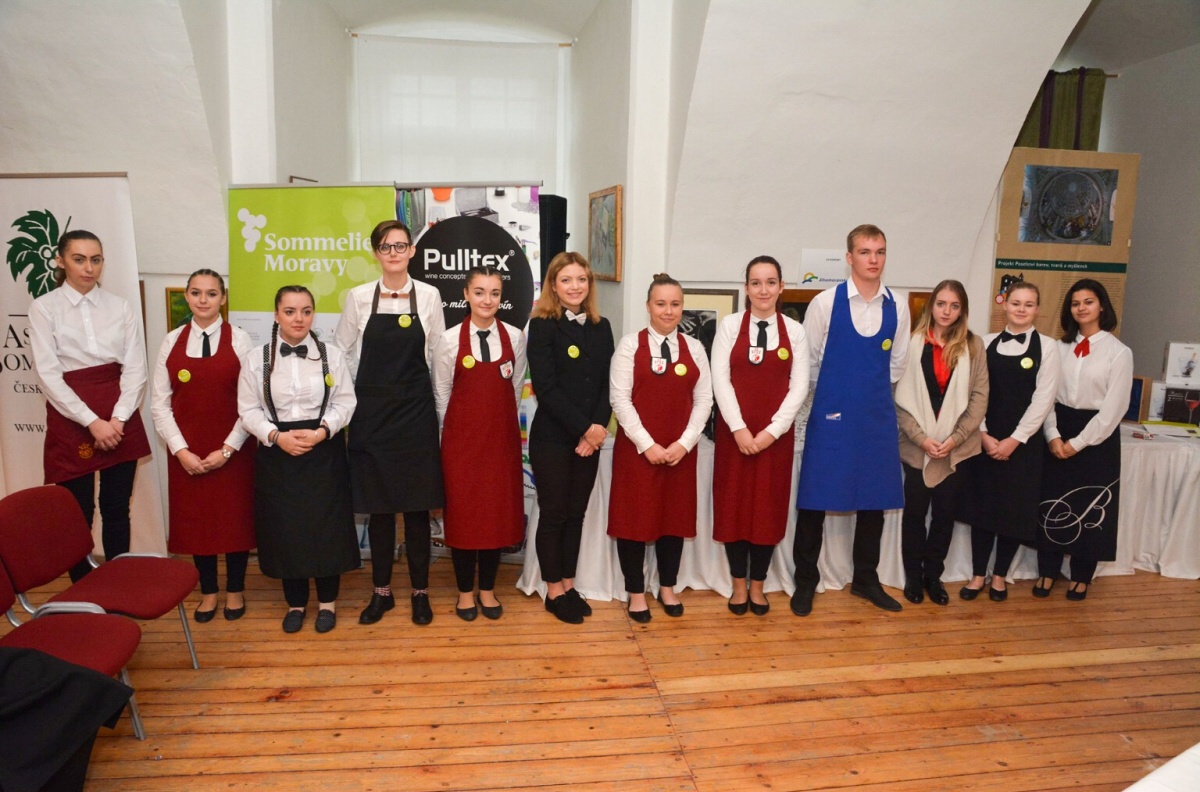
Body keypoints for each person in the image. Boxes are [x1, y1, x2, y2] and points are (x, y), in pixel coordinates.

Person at [792, 224, 910, 615]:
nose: (873, 259)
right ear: (849, 257)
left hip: (876, 417)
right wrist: (836, 399)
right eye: (865, 252)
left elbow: (897, 366)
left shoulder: (898, 306)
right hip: (831, 415)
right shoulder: (825, 303)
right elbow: (809, 363)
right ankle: (805, 580)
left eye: (880, 252)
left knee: (874, 499)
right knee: (815, 499)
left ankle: (866, 580)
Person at [334, 220, 446, 626]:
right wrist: (361, 397)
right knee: (379, 510)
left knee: (416, 510)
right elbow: (342, 351)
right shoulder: (359, 297)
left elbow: (437, 355)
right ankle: (381, 592)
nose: (394, 253)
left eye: (400, 246)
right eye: (386, 247)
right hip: (373, 415)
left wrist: (440, 417)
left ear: (412, 251)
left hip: (416, 414)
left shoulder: (429, 296)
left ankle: (420, 592)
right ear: (376, 253)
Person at [29, 230, 153, 580]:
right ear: (60, 261)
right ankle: (82, 590)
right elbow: (48, 375)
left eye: (95, 260)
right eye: (79, 259)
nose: (89, 268)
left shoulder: (120, 306)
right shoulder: (44, 308)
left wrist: (118, 419)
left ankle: (119, 584)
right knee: (77, 513)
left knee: (117, 509)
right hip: (71, 416)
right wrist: (92, 422)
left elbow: (136, 368)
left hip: (119, 415)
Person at [238, 285, 358, 633]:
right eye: (290, 311)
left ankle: (328, 604)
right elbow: (247, 410)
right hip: (277, 453)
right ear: (276, 315)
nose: (298, 319)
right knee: (286, 529)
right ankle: (295, 604)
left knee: (326, 528)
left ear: (313, 315)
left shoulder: (331, 356)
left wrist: (322, 431)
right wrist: (276, 436)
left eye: (306, 311)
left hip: (324, 450)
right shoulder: (256, 359)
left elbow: (346, 402)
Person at [151, 269, 256, 622]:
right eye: (196, 293)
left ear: (223, 299)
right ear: (187, 296)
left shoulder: (240, 340)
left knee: (235, 521)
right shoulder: (171, 341)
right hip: (187, 452)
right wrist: (180, 451)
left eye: (211, 293)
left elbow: (250, 403)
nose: (203, 300)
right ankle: (208, 591)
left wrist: (227, 449)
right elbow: (159, 404)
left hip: (234, 450)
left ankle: (236, 589)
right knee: (198, 524)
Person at [608, 274, 713, 622]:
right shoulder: (629, 346)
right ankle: (636, 592)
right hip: (638, 452)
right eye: (661, 304)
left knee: (674, 519)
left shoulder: (694, 348)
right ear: (648, 306)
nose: (668, 311)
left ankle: (667, 587)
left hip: (680, 452)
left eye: (675, 304)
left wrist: (684, 443)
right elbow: (620, 400)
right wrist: (647, 444)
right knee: (634, 521)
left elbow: (704, 400)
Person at [711, 256, 809, 616]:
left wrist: (770, 432)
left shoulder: (795, 332)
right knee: (733, 509)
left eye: (770, 282)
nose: (763, 290)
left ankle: (758, 585)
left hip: (774, 440)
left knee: (767, 510)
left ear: (781, 287)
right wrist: (738, 428)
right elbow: (720, 379)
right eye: (756, 283)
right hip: (733, 436)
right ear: (746, 289)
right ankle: (738, 585)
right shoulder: (729, 326)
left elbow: (799, 387)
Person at [432, 266, 527, 622]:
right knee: (464, 520)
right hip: (461, 447)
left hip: (500, 446)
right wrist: (455, 438)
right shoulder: (449, 340)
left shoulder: (515, 337)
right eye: (480, 292)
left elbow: (514, 389)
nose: (487, 300)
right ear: (466, 295)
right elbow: (442, 395)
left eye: (494, 293)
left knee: (495, 519)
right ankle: (464, 592)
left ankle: (487, 589)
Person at [526, 252, 614, 624]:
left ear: (589, 284)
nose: (575, 286)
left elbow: (608, 384)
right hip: (552, 438)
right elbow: (546, 388)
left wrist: (596, 431)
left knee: (576, 515)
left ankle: (569, 583)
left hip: (589, 439)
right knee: (554, 514)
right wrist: (585, 429)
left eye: (581, 279)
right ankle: (553, 591)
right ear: (553, 285)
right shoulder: (542, 326)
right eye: (566, 280)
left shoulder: (602, 326)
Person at [959, 282, 1059, 601]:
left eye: (1029, 304)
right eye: (1016, 303)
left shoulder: (1048, 347)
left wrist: (1014, 440)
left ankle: (1000, 575)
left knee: (1013, 511)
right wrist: (983, 434)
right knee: (983, 509)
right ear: (1004, 304)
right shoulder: (984, 343)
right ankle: (978, 575)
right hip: (985, 439)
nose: (1021, 309)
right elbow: (973, 393)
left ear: (1037, 309)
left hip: (1024, 444)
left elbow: (1043, 400)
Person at [1036, 279, 1132, 601]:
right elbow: (1046, 396)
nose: (1081, 308)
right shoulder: (1057, 348)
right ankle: (1047, 571)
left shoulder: (1119, 353)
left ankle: (1081, 577)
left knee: (1090, 506)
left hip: (1097, 437)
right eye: (1076, 303)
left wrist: (1077, 443)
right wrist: (1053, 435)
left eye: (1088, 302)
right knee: (1051, 503)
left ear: (1101, 306)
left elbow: (1114, 409)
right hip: (1057, 427)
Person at [894, 279, 988, 606]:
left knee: (944, 516)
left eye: (954, 306)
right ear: (931, 306)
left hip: (957, 450)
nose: (947, 311)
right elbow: (898, 400)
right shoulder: (910, 344)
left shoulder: (974, 346)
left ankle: (933, 576)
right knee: (914, 515)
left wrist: (954, 439)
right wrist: (922, 439)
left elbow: (979, 397)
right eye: (941, 304)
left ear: (962, 310)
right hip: (916, 447)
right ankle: (912, 577)